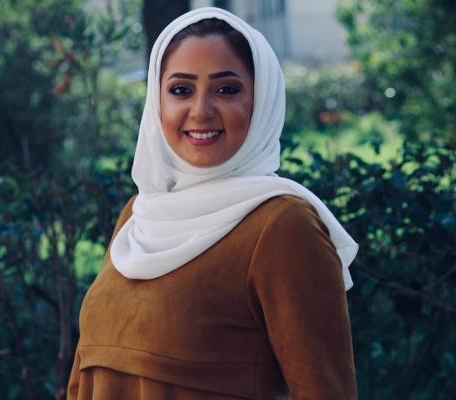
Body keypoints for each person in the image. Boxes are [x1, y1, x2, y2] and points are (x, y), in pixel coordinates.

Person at [67, 7, 358, 400]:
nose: (201, 110)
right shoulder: (140, 215)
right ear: (157, 102)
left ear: (261, 101)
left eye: (226, 90)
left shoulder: (282, 225)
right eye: (180, 90)